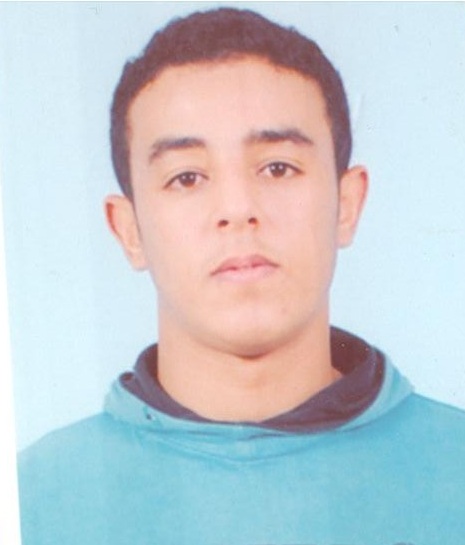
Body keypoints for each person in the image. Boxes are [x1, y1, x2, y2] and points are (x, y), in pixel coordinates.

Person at [17, 7, 465, 545]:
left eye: (278, 167)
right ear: (129, 229)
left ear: (346, 204)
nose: (237, 209)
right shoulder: (31, 500)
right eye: (187, 178)